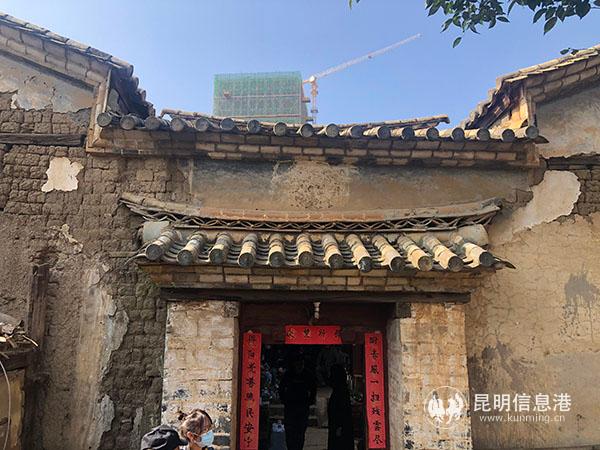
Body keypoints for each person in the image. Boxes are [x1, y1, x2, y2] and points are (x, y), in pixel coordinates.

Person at [278, 356, 317, 450]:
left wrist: (310, 401)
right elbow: (281, 388)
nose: (299, 366)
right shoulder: (288, 374)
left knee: (300, 431)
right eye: (298, 364)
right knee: (290, 431)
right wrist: (284, 400)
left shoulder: (307, 374)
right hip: (290, 406)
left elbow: (313, 389)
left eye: (301, 364)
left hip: (303, 406)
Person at [327, 364, 354, 450]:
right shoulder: (339, 390)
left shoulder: (341, 391)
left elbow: (343, 411)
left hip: (340, 427)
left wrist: (340, 426)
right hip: (337, 426)